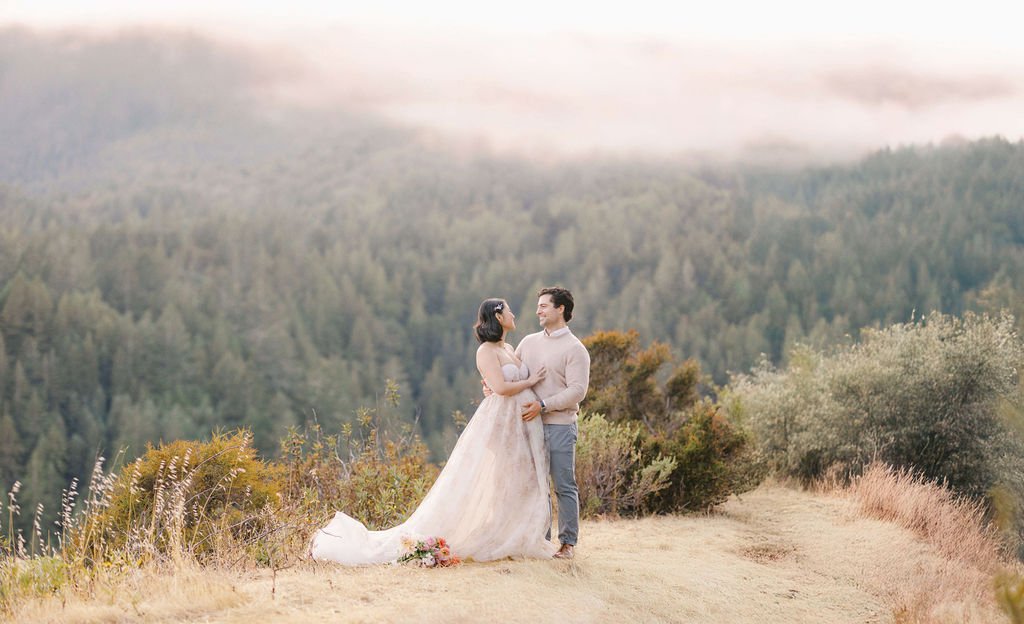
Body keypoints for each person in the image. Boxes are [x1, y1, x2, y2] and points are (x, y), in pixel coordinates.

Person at [310, 298, 557, 564]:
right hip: (500, 422)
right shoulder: (485, 350)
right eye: (509, 310)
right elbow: (499, 387)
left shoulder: (508, 347)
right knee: (495, 478)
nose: (514, 314)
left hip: (519, 424)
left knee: (518, 481)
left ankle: (514, 533)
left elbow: (502, 382)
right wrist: (530, 380)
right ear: (498, 316)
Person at [513, 287, 590, 560]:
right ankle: (540, 541)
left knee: (563, 485)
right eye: (538, 306)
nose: (538, 311)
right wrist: (492, 386)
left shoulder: (575, 349)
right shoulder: (528, 342)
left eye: (544, 306)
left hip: (560, 425)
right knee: (536, 485)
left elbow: (578, 391)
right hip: (529, 425)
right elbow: (513, 372)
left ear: (561, 309)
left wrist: (543, 406)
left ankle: (567, 544)